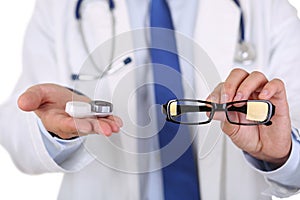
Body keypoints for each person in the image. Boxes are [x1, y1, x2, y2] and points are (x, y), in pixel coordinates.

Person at [1, 0, 300, 199]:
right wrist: (53, 131)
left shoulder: (267, 9)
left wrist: (282, 152)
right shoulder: (60, 8)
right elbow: (18, 130)